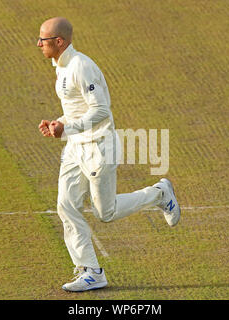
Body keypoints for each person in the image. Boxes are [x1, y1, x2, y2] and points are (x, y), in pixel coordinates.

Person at [37, 17, 180, 292]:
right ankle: (91, 271)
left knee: (106, 212)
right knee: (66, 205)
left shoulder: (81, 67)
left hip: (98, 147)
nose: (38, 44)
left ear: (59, 42)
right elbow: (77, 110)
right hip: (75, 147)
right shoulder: (61, 67)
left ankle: (160, 193)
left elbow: (101, 109)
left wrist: (68, 127)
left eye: (42, 39)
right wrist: (59, 124)